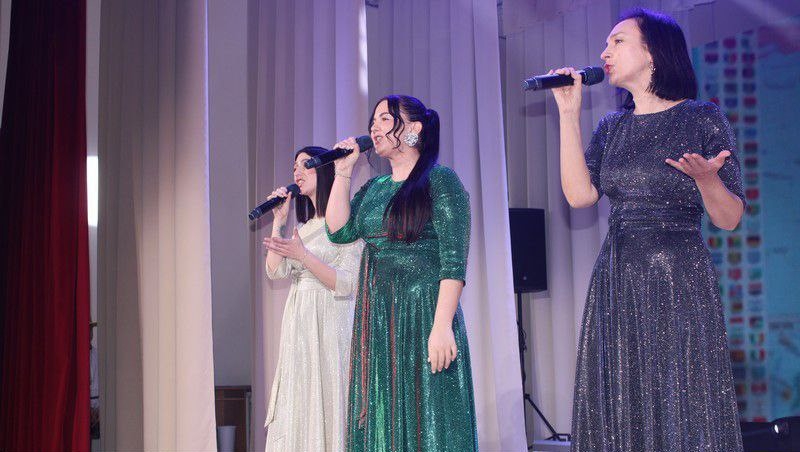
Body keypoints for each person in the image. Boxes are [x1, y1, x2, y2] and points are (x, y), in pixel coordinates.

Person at [550, 8, 744, 452]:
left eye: (618, 41)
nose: (605, 52)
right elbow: (580, 196)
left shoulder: (701, 118)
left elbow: (729, 219)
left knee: (681, 398)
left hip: (678, 278)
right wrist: (568, 114)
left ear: (653, 51)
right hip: (618, 277)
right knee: (622, 397)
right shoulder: (612, 126)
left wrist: (707, 179)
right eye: (606, 43)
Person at [325, 95, 478, 451]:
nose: (373, 128)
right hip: (379, 319)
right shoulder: (375, 188)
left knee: (432, 420)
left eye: (384, 119)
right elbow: (338, 231)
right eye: (372, 121)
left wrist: (442, 327)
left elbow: (454, 262)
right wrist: (343, 172)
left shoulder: (440, 181)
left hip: (425, 314)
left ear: (413, 129)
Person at [262, 147, 363, 452]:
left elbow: (347, 283)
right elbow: (274, 271)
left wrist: (304, 256)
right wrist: (279, 221)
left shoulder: (344, 223)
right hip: (300, 323)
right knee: (300, 398)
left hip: (330, 322)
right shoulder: (303, 229)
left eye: (306, 165)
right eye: (294, 167)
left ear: (326, 169)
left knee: (329, 396)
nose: (297, 172)